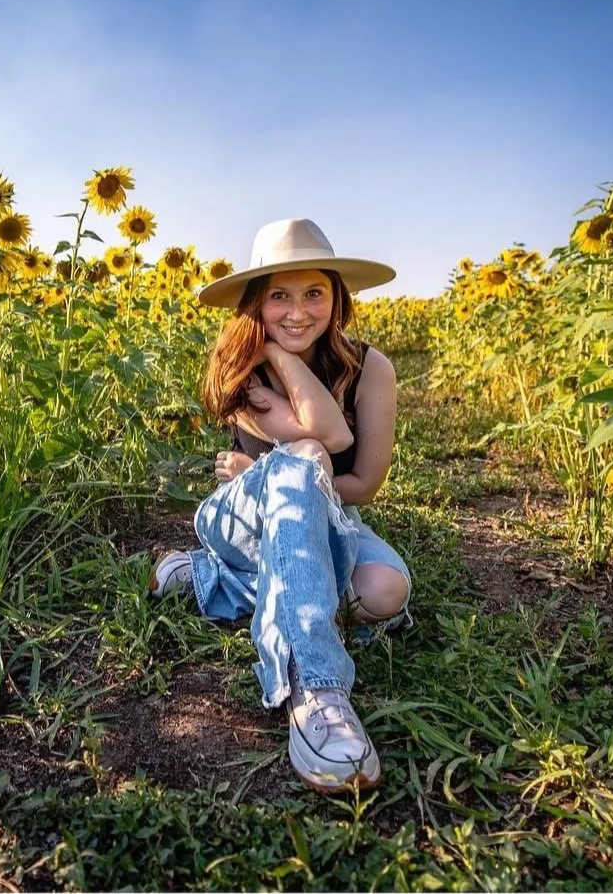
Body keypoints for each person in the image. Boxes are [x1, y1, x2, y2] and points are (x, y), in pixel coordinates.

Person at [150, 217, 413, 793]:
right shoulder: (240, 366)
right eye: (279, 298)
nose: (298, 312)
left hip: (329, 515)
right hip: (237, 519)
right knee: (304, 456)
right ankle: (314, 685)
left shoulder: (372, 368)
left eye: (313, 293)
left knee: (385, 592)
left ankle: (210, 581)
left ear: (336, 297)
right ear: (255, 304)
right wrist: (271, 352)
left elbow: (363, 482)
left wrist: (271, 468)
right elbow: (326, 438)